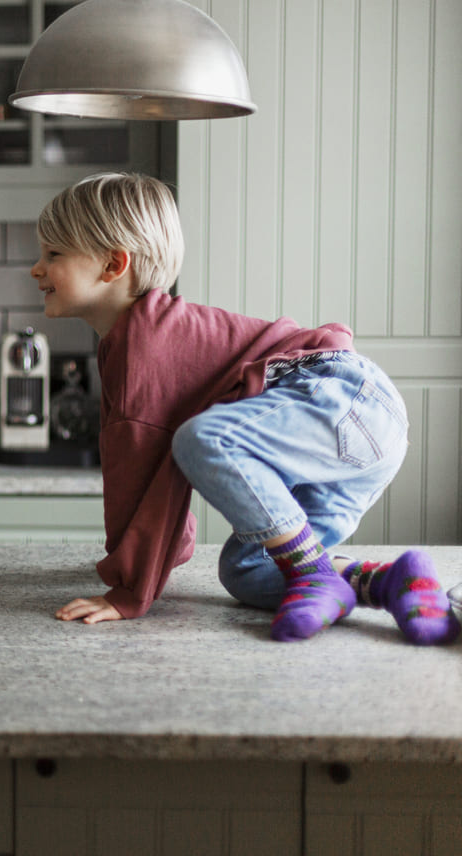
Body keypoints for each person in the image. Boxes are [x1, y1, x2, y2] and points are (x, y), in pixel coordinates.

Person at [30, 172, 459, 646]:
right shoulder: (128, 343)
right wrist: (157, 558)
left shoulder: (143, 343)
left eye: (53, 254)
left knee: (202, 438)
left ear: (113, 264)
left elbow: (138, 473)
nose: (36, 268)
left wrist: (129, 591)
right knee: (247, 571)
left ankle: (314, 574)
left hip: (340, 396)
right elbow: (147, 472)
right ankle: (392, 581)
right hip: (361, 426)